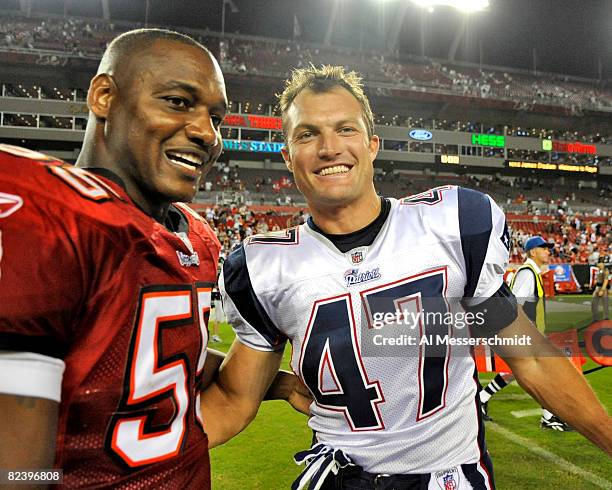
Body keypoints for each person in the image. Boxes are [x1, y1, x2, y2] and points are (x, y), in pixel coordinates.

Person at [215, 65, 612, 489]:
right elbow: (232, 399)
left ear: (372, 146)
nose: (329, 147)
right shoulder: (261, 267)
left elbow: (530, 357)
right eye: (307, 134)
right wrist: (281, 386)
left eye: (345, 129)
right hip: (340, 477)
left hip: (448, 477)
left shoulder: (451, 225)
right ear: (287, 154)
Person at [0, 29, 303, 488]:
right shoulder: (50, 216)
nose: (207, 133)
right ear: (104, 96)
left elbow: (161, 357)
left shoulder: (192, 236)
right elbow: (15, 471)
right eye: (178, 102)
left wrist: (278, 385)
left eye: (216, 117)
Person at [479, 236, 572, 431]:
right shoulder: (528, 274)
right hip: (525, 334)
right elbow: (515, 306)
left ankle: (482, 398)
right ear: (532, 252)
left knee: (520, 372)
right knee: (541, 374)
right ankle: (548, 417)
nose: (548, 251)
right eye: (543, 247)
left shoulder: (532, 273)